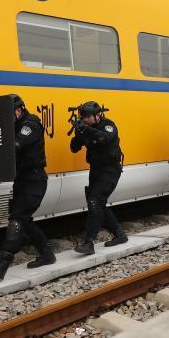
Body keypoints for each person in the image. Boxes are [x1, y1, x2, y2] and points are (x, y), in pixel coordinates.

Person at [0, 94, 56, 280]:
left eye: (11, 113)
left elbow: (15, 144)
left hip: (35, 180)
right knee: (24, 220)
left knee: (17, 220)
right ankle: (47, 254)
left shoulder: (30, 125)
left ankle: (2, 263)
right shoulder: (14, 124)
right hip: (22, 179)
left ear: (20, 110)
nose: (9, 117)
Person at [70, 101, 127, 255]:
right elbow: (74, 148)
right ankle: (120, 235)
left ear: (98, 115)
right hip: (95, 170)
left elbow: (105, 139)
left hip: (110, 170)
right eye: (84, 117)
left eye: (88, 117)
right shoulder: (86, 128)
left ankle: (89, 242)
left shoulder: (108, 125)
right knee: (97, 204)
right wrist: (78, 133)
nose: (86, 119)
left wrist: (86, 129)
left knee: (95, 201)